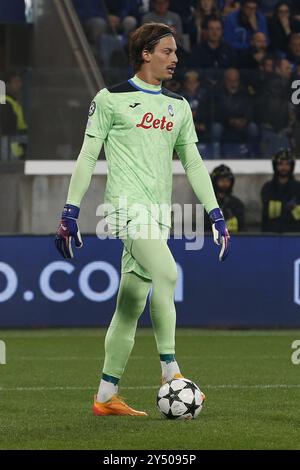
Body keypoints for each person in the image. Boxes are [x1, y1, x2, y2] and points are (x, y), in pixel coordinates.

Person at [55, 22, 230, 417]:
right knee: (168, 273)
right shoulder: (110, 99)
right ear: (146, 53)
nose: (175, 58)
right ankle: (171, 372)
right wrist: (70, 210)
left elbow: (194, 163)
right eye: (167, 51)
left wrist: (215, 213)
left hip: (158, 215)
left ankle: (105, 397)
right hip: (124, 209)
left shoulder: (178, 106)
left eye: (176, 52)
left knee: (131, 303)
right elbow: (87, 156)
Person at [261, 148, 300, 232]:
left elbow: (299, 216)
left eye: (287, 164)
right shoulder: (267, 188)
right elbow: (271, 213)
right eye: (280, 164)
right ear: (275, 166)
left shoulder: (298, 187)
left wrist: (280, 207)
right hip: (271, 234)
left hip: (294, 235)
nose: (284, 167)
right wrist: (290, 208)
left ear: (291, 166)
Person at [208, 164, 245, 231]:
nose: (225, 183)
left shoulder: (237, 204)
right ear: (214, 182)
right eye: (221, 180)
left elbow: (242, 229)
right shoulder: (208, 203)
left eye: (227, 180)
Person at [0, 70, 27, 159]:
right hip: (9, 147)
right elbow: (7, 127)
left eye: (19, 81)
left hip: (15, 145)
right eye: (15, 81)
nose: (19, 84)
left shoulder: (13, 101)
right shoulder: (5, 102)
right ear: (7, 84)